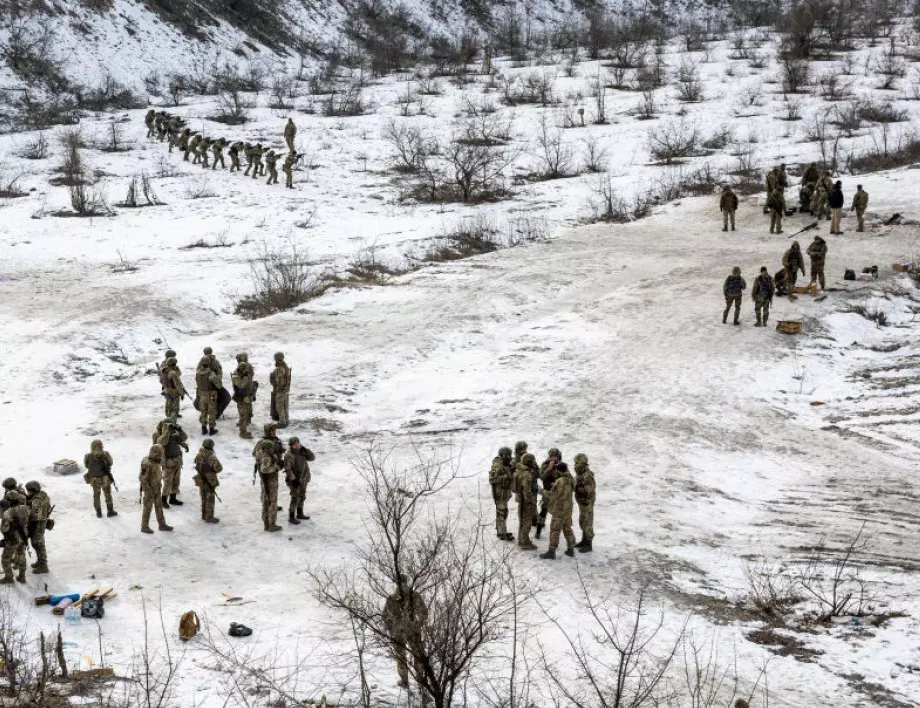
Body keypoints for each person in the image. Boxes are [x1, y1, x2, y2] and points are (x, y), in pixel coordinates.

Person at [383, 584, 427, 691]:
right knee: (416, 655)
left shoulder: (392, 598)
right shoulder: (415, 596)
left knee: (402, 657)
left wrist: (392, 629)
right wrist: (418, 624)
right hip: (411, 631)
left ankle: (406, 681)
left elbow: (385, 616)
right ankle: (419, 680)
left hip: (400, 632)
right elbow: (424, 613)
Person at [539, 461, 576, 559]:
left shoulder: (560, 481)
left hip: (559, 510)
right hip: (568, 509)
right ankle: (571, 548)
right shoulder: (570, 479)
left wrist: (541, 491)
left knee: (555, 530)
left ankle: (551, 552)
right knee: (567, 528)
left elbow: (553, 495)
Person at [253, 422, 284, 532]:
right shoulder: (262, 442)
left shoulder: (276, 439)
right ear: (267, 431)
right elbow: (255, 454)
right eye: (272, 430)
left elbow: (280, 449)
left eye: (275, 430)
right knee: (267, 495)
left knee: (269, 496)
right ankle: (270, 523)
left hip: (272, 469)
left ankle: (268, 519)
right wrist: (267, 459)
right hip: (268, 472)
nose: (275, 432)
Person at [155, 418, 189, 507]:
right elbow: (162, 442)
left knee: (176, 481)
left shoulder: (174, 435)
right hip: (168, 463)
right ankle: (163, 500)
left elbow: (184, 438)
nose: (170, 428)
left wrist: (179, 429)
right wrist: (166, 431)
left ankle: (173, 499)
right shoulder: (159, 436)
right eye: (168, 426)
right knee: (167, 482)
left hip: (177, 461)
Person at [283, 437, 315, 524]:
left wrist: (307, 451)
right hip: (294, 480)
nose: (297, 445)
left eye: (298, 443)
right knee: (295, 498)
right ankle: (291, 516)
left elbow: (312, 458)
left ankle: (300, 513)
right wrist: (293, 480)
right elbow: (288, 469)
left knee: (302, 496)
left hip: (304, 478)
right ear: (291, 445)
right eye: (295, 444)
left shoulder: (302, 451)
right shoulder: (288, 455)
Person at [0, 491, 29, 583]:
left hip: (13, 539)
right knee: (21, 556)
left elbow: (4, 529)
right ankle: (22, 577)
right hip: (24, 536)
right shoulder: (25, 508)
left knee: (5, 558)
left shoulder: (7, 513)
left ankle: (9, 577)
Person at [84, 439, 117, 518]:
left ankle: (98, 513)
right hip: (105, 478)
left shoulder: (88, 456)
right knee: (108, 494)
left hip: (94, 480)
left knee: (96, 496)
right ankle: (110, 511)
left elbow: (86, 466)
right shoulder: (105, 454)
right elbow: (111, 463)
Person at [489, 447, 515, 541]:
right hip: (499, 493)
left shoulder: (507, 464)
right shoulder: (497, 466)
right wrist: (506, 476)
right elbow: (492, 479)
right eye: (507, 455)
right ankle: (502, 533)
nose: (509, 457)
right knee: (502, 513)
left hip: (505, 493)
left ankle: (500, 531)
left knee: (503, 512)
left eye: (509, 455)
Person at [25, 481, 51, 574]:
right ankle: (40, 561)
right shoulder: (43, 495)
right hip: (42, 522)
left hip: (37, 524)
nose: (28, 492)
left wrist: (27, 511)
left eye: (28, 491)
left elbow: (35, 515)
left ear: (33, 490)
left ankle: (44, 565)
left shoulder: (36, 500)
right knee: (36, 544)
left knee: (39, 544)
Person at [193, 439, 222, 523]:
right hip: (209, 479)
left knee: (203, 497)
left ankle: (204, 514)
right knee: (210, 498)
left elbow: (196, 463)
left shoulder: (199, 454)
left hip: (201, 478)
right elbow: (219, 468)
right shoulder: (211, 457)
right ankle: (209, 517)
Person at [196, 347, 222, 435]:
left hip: (202, 394)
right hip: (211, 394)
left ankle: (203, 428)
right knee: (212, 412)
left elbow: (196, 380)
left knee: (203, 411)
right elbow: (218, 384)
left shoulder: (198, 371)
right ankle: (211, 429)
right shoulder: (211, 373)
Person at [515, 453, 539, 550]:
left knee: (522, 521)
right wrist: (530, 501)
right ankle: (524, 542)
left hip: (520, 499)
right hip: (526, 501)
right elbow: (526, 489)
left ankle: (522, 539)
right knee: (527, 522)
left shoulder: (519, 470)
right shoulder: (527, 474)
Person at [231, 353, 257, 439]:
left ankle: (245, 425)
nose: (247, 370)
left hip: (247, 395)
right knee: (243, 415)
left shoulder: (246, 372)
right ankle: (243, 432)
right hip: (241, 397)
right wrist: (245, 377)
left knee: (245, 413)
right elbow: (241, 385)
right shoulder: (236, 376)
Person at [537, 448, 561, 538]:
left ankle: (556, 534)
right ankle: (538, 532)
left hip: (558, 493)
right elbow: (542, 477)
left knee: (558, 514)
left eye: (555, 457)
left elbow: (566, 476)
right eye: (552, 456)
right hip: (547, 492)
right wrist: (549, 469)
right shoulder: (545, 465)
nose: (553, 458)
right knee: (543, 511)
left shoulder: (561, 465)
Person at [573, 454, 595, 553]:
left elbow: (589, 490)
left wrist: (579, 488)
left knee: (587, 523)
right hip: (581, 503)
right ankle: (584, 541)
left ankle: (589, 544)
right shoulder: (579, 474)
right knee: (582, 522)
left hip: (587, 503)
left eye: (577, 463)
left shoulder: (587, 475)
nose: (575, 465)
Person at [270, 352, 291, 428]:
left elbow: (280, 380)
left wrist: (277, 388)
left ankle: (282, 422)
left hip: (281, 390)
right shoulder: (285, 366)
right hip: (285, 390)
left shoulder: (280, 368)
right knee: (285, 405)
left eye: (275, 358)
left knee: (279, 406)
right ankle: (286, 420)